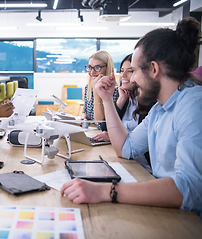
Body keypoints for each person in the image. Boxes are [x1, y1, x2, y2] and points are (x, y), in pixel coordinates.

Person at [61, 17, 202, 217]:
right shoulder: (160, 108)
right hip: (171, 212)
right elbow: (125, 148)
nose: (131, 79)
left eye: (134, 71)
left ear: (154, 69)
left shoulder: (193, 104)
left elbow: (189, 190)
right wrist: (107, 100)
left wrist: (104, 191)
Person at [91, 53, 155, 172]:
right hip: (126, 159)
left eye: (130, 71)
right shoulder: (126, 97)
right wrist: (121, 100)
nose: (123, 75)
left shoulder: (152, 104)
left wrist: (114, 137)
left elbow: (141, 141)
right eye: (121, 71)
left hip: (141, 165)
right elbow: (104, 127)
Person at [82, 50, 118, 130]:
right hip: (92, 132)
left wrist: (96, 92)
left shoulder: (115, 92)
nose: (92, 72)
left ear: (107, 68)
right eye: (90, 67)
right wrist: (84, 117)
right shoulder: (88, 87)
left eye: (97, 67)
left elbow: (100, 124)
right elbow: (85, 110)